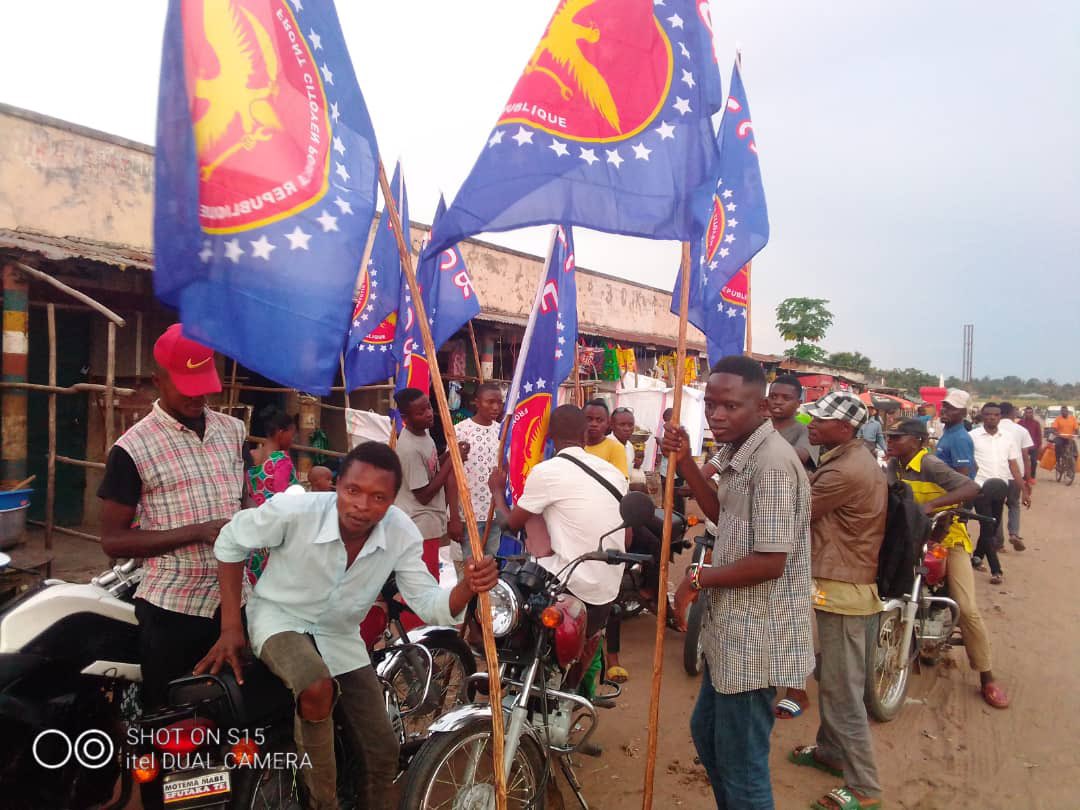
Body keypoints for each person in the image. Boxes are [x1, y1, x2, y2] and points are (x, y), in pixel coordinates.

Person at [197, 441, 499, 810]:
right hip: (279, 619)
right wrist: (231, 626)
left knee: (382, 747)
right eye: (353, 491)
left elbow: (430, 604)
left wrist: (468, 586)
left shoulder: (400, 532)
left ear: (391, 500)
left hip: (340, 635)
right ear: (338, 485)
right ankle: (324, 803)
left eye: (378, 497)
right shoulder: (296, 510)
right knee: (315, 685)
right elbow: (230, 542)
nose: (362, 505)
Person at [663, 356, 813, 810]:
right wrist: (685, 459)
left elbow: (770, 561)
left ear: (763, 407)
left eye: (730, 406)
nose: (717, 415)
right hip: (730, 632)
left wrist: (696, 577)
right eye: (711, 404)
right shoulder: (736, 450)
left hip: (756, 636)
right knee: (706, 734)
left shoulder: (770, 464)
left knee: (743, 765)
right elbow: (719, 512)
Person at [98, 325, 246, 711]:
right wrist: (196, 532)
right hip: (172, 609)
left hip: (236, 603)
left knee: (236, 715)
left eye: (204, 383)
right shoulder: (131, 449)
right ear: (157, 380)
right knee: (170, 717)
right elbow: (113, 541)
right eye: (186, 384)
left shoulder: (233, 432)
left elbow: (243, 504)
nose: (198, 394)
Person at [489, 405, 628, 690]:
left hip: (570, 584)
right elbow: (626, 533)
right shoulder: (613, 474)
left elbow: (511, 525)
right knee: (585, 648)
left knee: (513, 611)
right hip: (608, 586)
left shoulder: (547, 471)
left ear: (549, 436)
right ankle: (575, 689)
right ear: (584, 434)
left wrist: (496, 491)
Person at [790, 392, 885, 810]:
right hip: (839, 581)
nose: (811, 424)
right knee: (830, 674)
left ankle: (865, 788)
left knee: (844, 691)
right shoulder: (846, 458)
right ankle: (830, 752)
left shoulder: (845, 470)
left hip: (844, 588)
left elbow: (794, 511)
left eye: (820, 420)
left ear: (844, 429)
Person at [886, 419, 1010, 709]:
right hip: (911, 538)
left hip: (947, 539)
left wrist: (931, 507)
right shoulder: (893, 466)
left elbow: (970, 489)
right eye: (888, 437)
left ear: (917, 441)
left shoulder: (929, 464)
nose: (890, 441)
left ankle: (987, 677)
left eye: (897, 437)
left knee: (966, 608)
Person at [393, 387, 466, 579]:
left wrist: (449, 455)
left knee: (431, 575)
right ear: (405, 418)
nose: (428, 414)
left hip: (429, 522)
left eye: (428, 407)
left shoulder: (425, 435)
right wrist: (452, 461)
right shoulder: (409, 449)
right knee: (426, 580)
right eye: (420, 412)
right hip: (419, 523)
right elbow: (424, 495)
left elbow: (432, 470)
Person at [970, 403, 1029, 585]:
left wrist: (1024, 490)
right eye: (988, 415)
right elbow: (968, 463)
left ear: (1000, 416)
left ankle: (977, 557)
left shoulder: (1008, 438)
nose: (992, 418)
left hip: (1001, 487)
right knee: (988, 527)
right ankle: (996, 570)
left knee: (992, 527)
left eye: (995, 415)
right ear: (982, 416)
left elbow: (1013, 466)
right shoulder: (972, 437)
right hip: (980, 488)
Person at [452, 382, 504, 557]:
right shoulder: (461, 431)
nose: (496, 407)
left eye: (499, 402)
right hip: (468, 515)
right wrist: (453, 516)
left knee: (490, 566)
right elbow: (451, 475)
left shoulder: (502, 432)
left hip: (494, 513)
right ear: (476, 402)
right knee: (472, 568)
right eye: (490, 402)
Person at [998, 402, 1033, 551]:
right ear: (1012, 413)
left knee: (996, 507)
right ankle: (1014, 534)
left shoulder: (993, 428)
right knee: (1014, 504)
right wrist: (1027, 479)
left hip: (997, 474)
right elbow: (1026, 456)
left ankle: (998, 543)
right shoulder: (1021, 430)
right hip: (1015, 474)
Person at [768, 374, 816, 469]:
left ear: (798, 403)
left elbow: (802, 456)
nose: (778, 402)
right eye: (773, 396)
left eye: (786, 398)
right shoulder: (758, 425)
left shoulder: (806, 430)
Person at [583, 398, 630, 478]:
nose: (594, 424)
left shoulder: (616, 448)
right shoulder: (575, 447)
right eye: (589, 419)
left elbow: (621, 481)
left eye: (599, 420)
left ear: (608, 423)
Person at [937, 390, 976, 478]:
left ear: (964, 413)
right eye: (944, 406)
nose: (944, 411)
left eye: (952, 408)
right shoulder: (949, 433)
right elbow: (975, 466)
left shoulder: (960, 438)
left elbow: (962, 477)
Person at [611, 406, 638, 477]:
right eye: (622, 424)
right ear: (612, 425)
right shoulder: (605, 446)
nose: (627, 429)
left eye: (630, 425)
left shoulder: (630, 446)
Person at [1018, 407, 1042, 481]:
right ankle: (1023, 476)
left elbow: (1039, 435)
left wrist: (1039, 446)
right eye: (1027, 412)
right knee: (1021, 462)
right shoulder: (1020, 423)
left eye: (1030, 412)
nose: (1029, 414)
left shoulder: (1036, 423)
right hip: (1022, 447)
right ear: (1024, 413)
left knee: (1034, 462)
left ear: (1032, 413)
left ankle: (1032, 477)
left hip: (1033, 446)